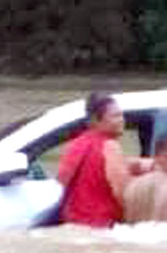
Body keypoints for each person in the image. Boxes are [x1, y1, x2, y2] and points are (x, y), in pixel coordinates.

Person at [56, 92, 150, 227]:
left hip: (73, 226)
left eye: (121, 115)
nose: (122, 120)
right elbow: (123, 192)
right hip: (102, 228)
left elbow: (61, 184)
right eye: (115, 116)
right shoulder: (110, 146)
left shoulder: (75, 145)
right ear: (96, 120)